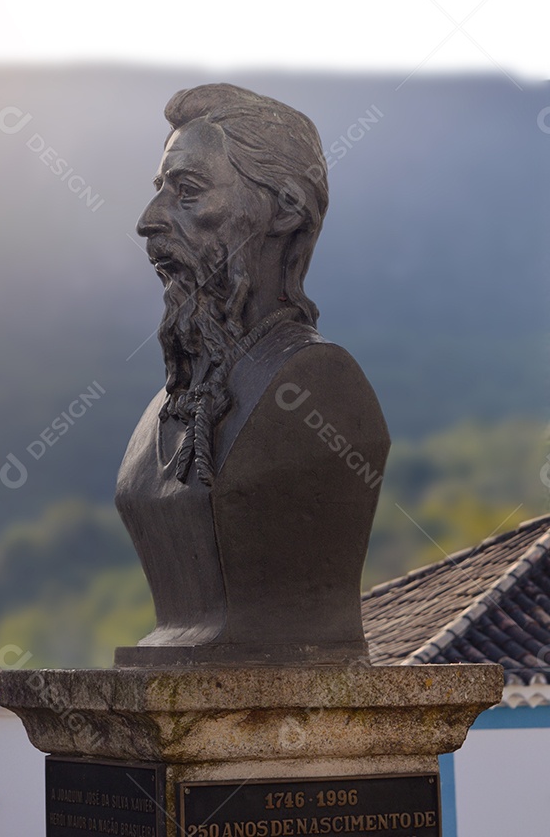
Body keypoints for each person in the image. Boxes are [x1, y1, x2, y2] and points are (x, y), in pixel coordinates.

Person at [115, 84, 390, 666]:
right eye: (160, 190)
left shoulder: (319, 386)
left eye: (188, 192)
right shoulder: (168, 403)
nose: (149, 220)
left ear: (284, 209)